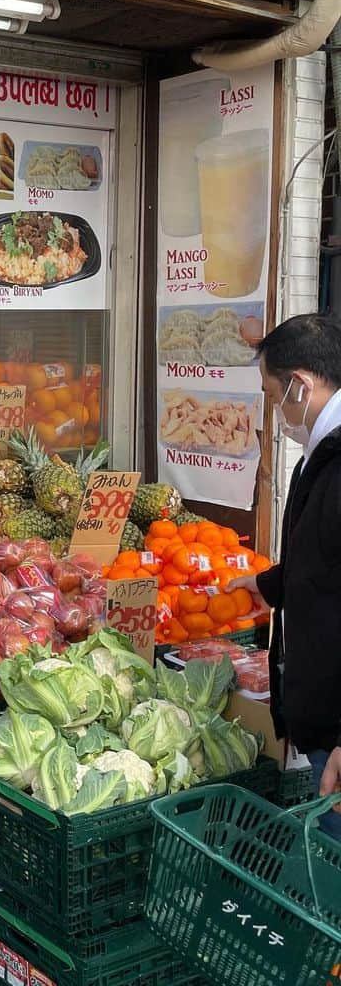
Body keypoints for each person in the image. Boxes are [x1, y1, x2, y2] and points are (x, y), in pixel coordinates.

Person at [228, 313, 341, 837]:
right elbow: (321, 563)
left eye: (274, 396)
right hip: (318, 717)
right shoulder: (314, 460)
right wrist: (268, 584)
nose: (276, 411)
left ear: (300, 384)